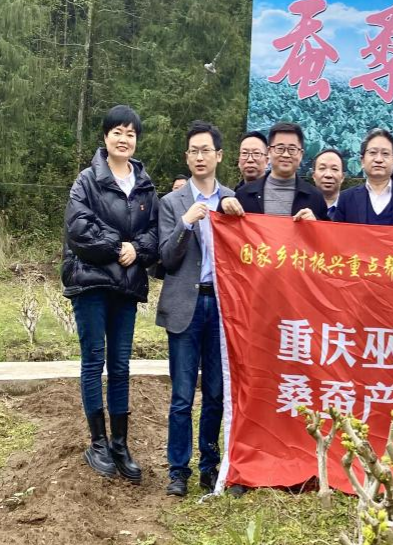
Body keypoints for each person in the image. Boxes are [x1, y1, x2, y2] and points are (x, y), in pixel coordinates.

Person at [62, 105, 159, 484]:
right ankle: (98, 443)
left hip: (127, 285)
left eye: (131, 133)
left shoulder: (145, 186)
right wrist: (119, 245)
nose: (124, 139)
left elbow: (155, 233)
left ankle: (120, 443)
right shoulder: (87, 180)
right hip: (91, 282)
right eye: (117, 131)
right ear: (105, 137)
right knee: (93, 361)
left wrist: (138, 248)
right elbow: (78, 229)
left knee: (120, 365)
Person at [157, 122, 236, 498]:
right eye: (193, 151)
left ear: (218, 155)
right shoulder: (172, 203)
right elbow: (166, 259)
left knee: (217, 393)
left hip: (222, 307)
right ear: (186, 157)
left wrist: (237, 218)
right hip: (185, 304)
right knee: (182, 395)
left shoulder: (231, 199)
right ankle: (178, 470)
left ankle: (209, 465)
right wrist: (185, 224)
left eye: (206, 150)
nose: (200, 157)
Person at [220, 122, 328, 220]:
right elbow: (226, 228)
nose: (286, 155)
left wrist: (315, 223)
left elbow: (328, 232)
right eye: (280, 148)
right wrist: (223, 204)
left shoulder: (315, 197)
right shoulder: (245, 194)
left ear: (301, 154)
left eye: (292, 149)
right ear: (269, 151)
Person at [333, 129, 393, 226]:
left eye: (385, 153)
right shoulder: (346, 198)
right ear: (362, 161)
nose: (379, 159)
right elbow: (337, 234)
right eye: (373, 152)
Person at [312, 148, 346, 220]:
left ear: (342, 177)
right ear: (314, 176)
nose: (328, 175)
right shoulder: (303, 205)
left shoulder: (353, 208)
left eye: (334, 169)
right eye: (322, 168)